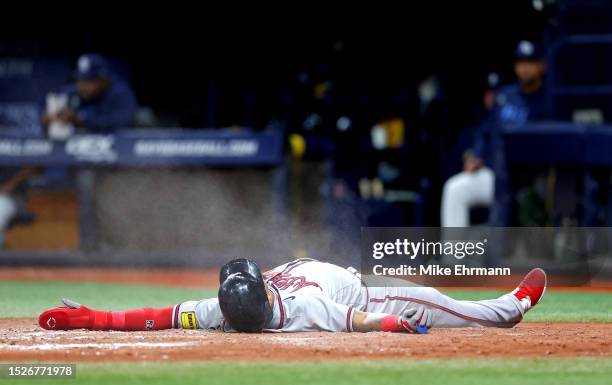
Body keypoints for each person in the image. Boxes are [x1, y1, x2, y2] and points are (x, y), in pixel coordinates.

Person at [38, 258, 546, 333]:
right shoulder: (303, 308)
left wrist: (93, 318)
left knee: (435, 294)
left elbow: (162, 315)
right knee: (435, 298)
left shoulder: (219, 309)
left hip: (344, 281)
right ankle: (513, 308)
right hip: (368, 299)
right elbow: (361, 322)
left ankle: (510, 306)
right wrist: (395, 324)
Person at [441, 40, 549, 227]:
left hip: (533, 179)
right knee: (455, 189)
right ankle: (454, 255)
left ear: (542, 65)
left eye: (530, 63)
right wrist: (473, 156)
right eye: (520, 63)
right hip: (497, 177)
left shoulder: (551, 99)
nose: (524, 69)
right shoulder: (504, 96)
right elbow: (484, 133)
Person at [42, 53, 137, 133]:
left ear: (103, 80)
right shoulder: (72, 92)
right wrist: (49, 118)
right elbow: (47, 111)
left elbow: (122, 122)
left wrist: (81, 120)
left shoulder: (121, 93)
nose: (82, 87)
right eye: (80, 81)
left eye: (88, 82)